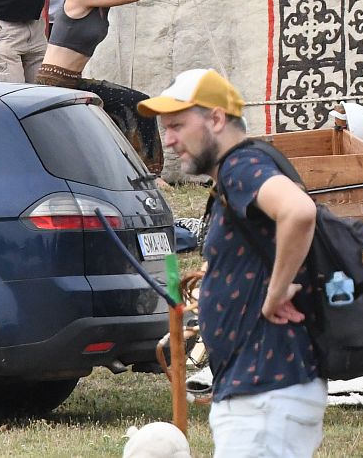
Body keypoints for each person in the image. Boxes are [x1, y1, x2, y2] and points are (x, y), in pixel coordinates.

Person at [140, 69, 325, 457]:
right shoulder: (242, 170)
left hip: (264, 391)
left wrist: (275, 293)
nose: (168, 139)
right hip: (261, 388)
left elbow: (299, 212)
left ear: (217, 119)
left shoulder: (242, 167)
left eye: (177, 125)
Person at [34, 0, 199, 168]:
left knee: (136, 103)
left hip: (74, 82)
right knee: (130, 105)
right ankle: (147, 172)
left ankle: (145, 170)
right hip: (54, 83)